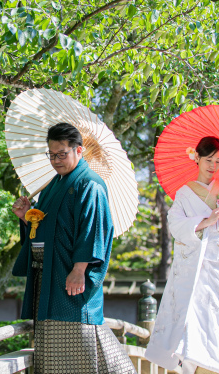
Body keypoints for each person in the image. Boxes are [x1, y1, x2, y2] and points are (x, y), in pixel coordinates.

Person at [11, 122, 135, 374]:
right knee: (51, 349)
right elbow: (45, 229)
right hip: (47, 277)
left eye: (61, 154)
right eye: (52, 154)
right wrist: (26, 218)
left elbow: (94, 229)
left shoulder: (90, 184)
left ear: (79, 151)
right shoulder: (53, 184)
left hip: (70, 276)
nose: (56, 160)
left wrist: (80, 269)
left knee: (81, 338)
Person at [145, 136, 219, 374]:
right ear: (196, 158)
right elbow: (175, 225)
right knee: (197, 330)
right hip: (199, 273)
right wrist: (207, 220)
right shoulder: (184, 194)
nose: (213, 166)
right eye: (208, 160)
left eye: (218, 161)